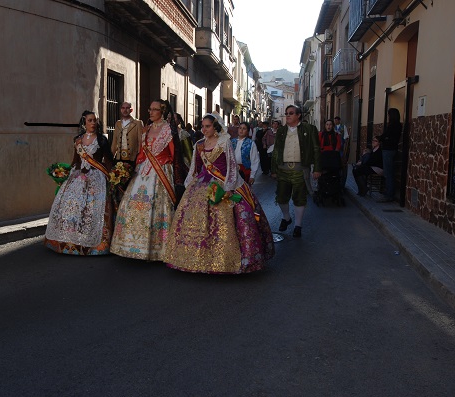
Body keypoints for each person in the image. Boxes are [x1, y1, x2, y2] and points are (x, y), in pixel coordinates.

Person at [164, 112, 274, 274]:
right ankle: (193, 258)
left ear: (215, 127)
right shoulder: (199, 144)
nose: (204, 129)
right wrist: (189, 184)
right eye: (202, 126)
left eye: (207, 126)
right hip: (201, 185)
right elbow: (195, 167)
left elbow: (231, 166)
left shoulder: (224, 142)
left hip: (222, 184)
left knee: (230, 218)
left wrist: (229, 187)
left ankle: (228, 259)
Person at [110, 99, 187, 261]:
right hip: (143, 171)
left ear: (162, 112)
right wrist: (129, 170)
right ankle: (129, 244)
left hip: (161, 173)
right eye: (150, 109)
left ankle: (159, 248)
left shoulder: (169, 131)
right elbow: (141, 154)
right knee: (131, 204)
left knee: (157, 207)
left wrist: (174, 175)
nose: (150, 112)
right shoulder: (146, 129)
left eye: (155, 109)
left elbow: (176, 157)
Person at [44, 110, 114, 255]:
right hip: (78, 176)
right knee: (71, 205)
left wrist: (112, 177)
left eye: (95, 120)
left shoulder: (101, 140)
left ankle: (94, 244)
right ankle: (70, 240)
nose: (93, 123)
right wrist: (66, 174)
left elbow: (107, 160)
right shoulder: (78, 140)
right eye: (90, 120)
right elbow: (75, 159)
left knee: (93, 208)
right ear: (84, 122)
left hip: (96, 177)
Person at [271, 105, 321, 238]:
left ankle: (298, 225)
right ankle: (286, 217)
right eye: (286, 113)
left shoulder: (309, 129)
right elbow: (276, 151)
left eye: (291, 113)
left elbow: (316, 149)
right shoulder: (281, 131)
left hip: (300, 169)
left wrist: (317, 168)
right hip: (283, 169)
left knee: (299, 198)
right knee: (281, 197)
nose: (287, 115)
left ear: (298, 115)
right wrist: (273, 169)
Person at [377, 108, 402, 202]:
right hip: (391, 150)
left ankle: (389, 194)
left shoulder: (393, 126)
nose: (388, 116)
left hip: (388, 150)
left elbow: (386, 136)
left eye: (389, 115)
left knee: (388, 173)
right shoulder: (397, 125)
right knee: (389, 172)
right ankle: (389, 192)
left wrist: (382, 138)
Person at [111, 102, 143, 166]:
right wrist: (111, 157)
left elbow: (140, 141)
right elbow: (114, 142)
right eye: (123, 108)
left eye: (127, 108)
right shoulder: (118, 123)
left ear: (131, 110)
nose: (125, 110)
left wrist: (139, 156)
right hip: (119, 157)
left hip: (133, 158)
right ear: (120, 109)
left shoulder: (138, 123)